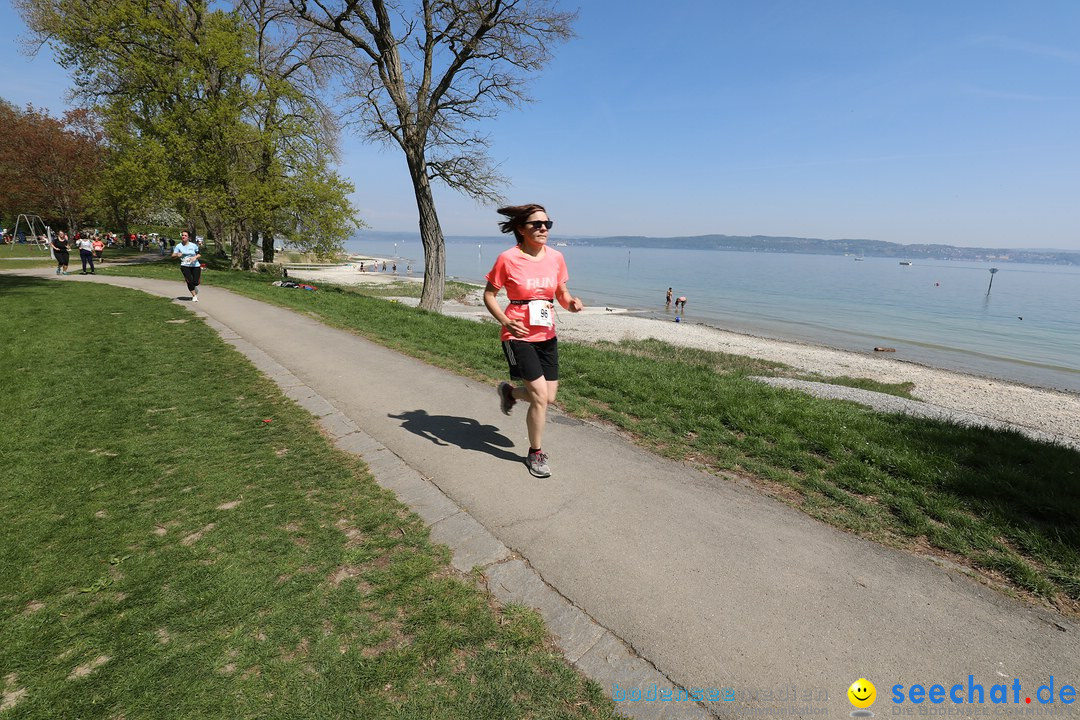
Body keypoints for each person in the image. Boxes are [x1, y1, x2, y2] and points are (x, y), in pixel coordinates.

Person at [483, 203, 584, 478]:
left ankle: (509, 392)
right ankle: (535, 453)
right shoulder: (508, 258)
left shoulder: (556, 257)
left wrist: (570, 303)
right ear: (520, 229)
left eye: (547, 224)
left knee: (548, 398)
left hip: (547, 335)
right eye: (537, 224)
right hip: (518, 336)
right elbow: (489, 295)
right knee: (539, 397)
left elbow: (561, 292)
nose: (543, 229)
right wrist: (505, 321)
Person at [171, 231, 202, 302]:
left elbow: (199, 254)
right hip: (185, 266)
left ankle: (194, 287)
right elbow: (172, 255)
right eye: (182, 235)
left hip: (195, 265)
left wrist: (195, 257)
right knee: (189, 281)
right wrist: (177, 255)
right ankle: (194, 296)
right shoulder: (178, 246)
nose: (183, 237)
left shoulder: (193, 245)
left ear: (189, 237)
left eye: (185, 235)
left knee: (196, 282)